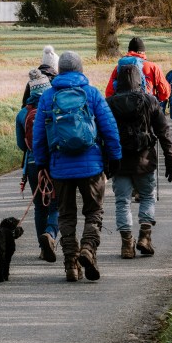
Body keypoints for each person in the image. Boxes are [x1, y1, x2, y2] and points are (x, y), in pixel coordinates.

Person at [33, 51, 123, 282]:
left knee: (66, 215)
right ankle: (88, 250)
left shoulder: (48, 96)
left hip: (60, 167)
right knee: (94, 211)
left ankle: (71, 264)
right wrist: (115, 158)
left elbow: (39, 135)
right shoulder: (91, 94)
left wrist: (42, 163)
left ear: (60, 70)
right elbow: (109, 129)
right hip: (91, 166)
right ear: (81, 69)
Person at [107, 64, 172, 259]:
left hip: (119, 163)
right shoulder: (150, 101)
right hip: (145, 161)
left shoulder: (109, 103)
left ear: (118, 81)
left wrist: (104, 164)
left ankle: (126, 245)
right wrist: (171, 159)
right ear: (140, 80)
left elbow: (102, 135)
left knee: (122, 202)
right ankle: (145, 237)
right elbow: (164, 133)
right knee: (147, 197)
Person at [16, 69, 59, 263]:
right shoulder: (55, 104)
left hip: (33, 165)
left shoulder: (22, 113)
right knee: (56, 204)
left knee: (40, 207)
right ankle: (50, 233)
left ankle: (43, 248)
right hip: (56, 163)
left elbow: (20, 145)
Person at [105, 37, 170, 103]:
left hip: (123, 107)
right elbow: (165, 91)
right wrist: (155, 100)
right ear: (143, 52)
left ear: (129, 51)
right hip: (146, 106)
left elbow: (109, 92)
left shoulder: (119, 67)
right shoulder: (152, 67)